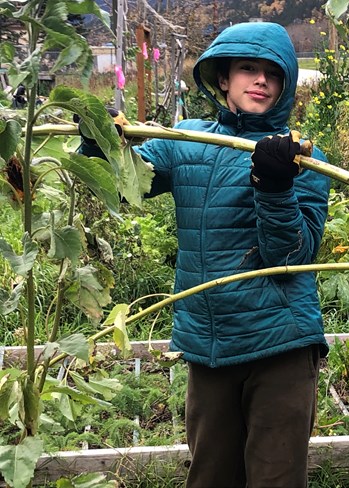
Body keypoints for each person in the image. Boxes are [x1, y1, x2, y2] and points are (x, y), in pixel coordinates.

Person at [80, 22, 330, 488]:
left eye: (272, 74)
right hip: (209, 346)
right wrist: (99, 148)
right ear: (222, 79)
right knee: (210, 477)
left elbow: (292, 253)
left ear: (286, 84)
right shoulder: (189, 141)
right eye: (247, 69)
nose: (260, 81)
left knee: (275, 478)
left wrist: (274, 185)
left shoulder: (302, 159)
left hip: (281, 346)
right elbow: (124, 184)